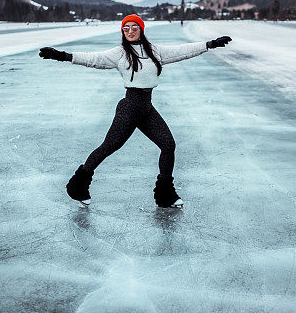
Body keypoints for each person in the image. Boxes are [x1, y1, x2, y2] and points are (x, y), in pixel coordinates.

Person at [39, 14, 231, 208]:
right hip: (130, 108)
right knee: (108, 147)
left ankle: (165, 195)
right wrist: (62, 56)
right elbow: (93, 59)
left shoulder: (154, 51)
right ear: (122, 31)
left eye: (134, 27)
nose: (130, 31)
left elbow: (182, 51)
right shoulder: (120, 53)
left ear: (141, 29)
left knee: (168, 145)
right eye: (126, 28)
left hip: (146, 107)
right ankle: (77, 186)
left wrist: (210, 44)